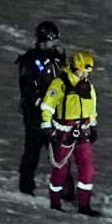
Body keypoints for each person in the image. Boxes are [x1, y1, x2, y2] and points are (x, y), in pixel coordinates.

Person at [40, 50, 101, 216]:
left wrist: (93, 127)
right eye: (83, 71)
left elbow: (92, 109)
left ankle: (84, 205)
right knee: (60, 170)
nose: (85, 75)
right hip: (63, 135)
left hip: (82, 134)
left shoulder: (88, 86)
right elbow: (47, 106)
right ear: (75, 67)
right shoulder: (60, 84)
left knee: (88, 168)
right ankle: (55, 202)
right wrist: (47, 127)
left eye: (87, 72)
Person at [15, 21, 66, 195]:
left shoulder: (58, 58)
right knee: (33, 149)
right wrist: (39, 104)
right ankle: (26, 186)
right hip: (35, 114)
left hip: (55, 113)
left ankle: (66, 191)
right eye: (53, 39)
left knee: (61, 152)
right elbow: (27, 88)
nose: (56, 43)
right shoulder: (30, 59)